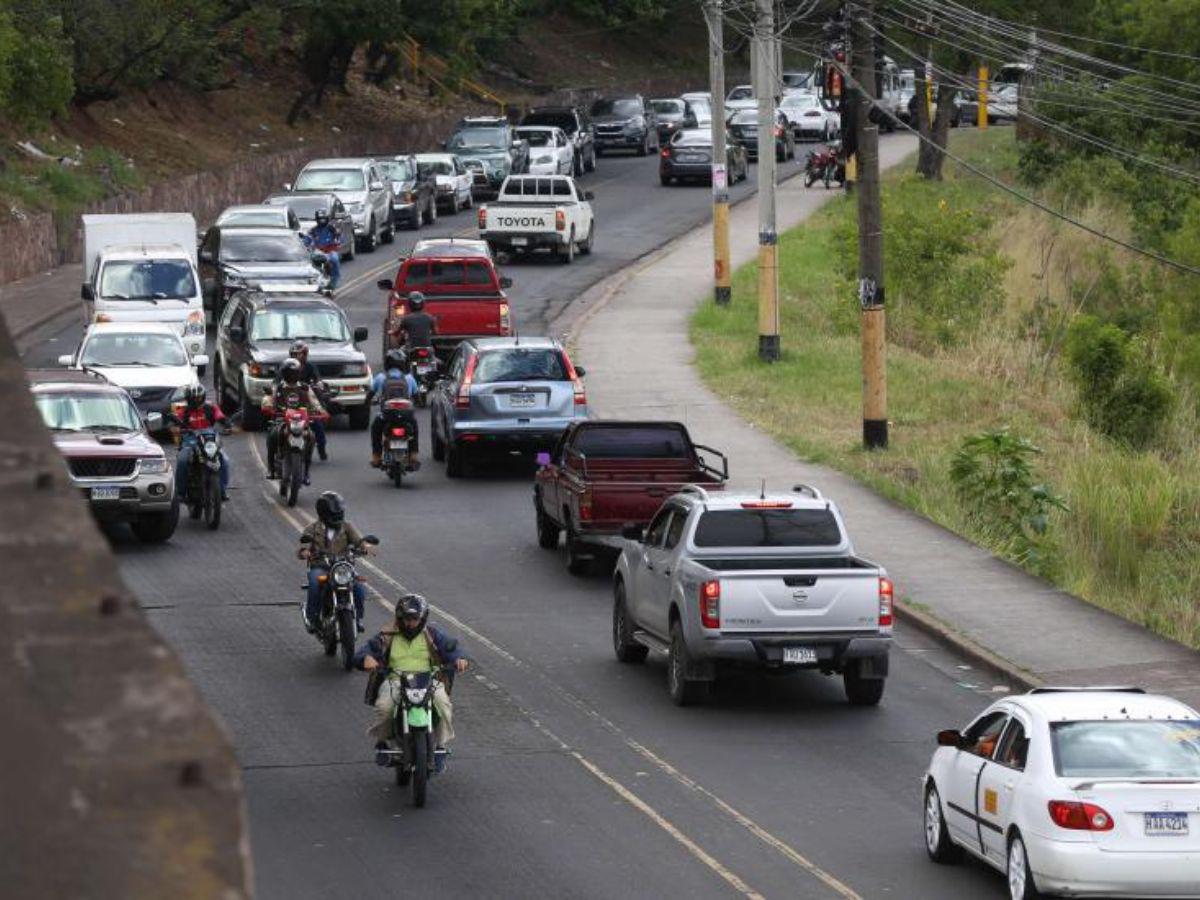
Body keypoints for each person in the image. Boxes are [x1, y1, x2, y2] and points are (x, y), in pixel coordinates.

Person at [355, 593, 468, 773]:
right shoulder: (387, 635)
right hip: (395, 681)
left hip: (428, 681)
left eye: (415, 619)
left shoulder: (432, 634)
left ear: (422, 619)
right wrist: (366, 659)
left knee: (443, 704)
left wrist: (459, 659)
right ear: (399, 618)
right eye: (407, 619)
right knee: (385, 707)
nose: (410, 623)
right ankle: (383, 740)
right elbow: (363, 652)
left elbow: (452, 648)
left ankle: (439, 745)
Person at [298, 491, 370, 633]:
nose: (339, 515)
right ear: (324, 513)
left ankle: (358, 618)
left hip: (342, 567)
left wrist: (365, 548)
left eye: (340, 512)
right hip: (321, 566)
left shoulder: (347, 526)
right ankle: (312, 617)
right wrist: (305, 552)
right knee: (314, 583)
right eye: (335, 512)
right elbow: (303, 547)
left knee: (359, 589)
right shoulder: (312, 529)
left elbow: (358, 541)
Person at [265, 358, 325, 483]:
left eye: (294, 373)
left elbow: (314, 402)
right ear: (284, 374)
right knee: (272, 435)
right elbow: (269, 399)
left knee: (311, 437)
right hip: (282, 419)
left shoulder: (305, 387)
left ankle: (306, 472)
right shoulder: (278, 387)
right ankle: (271, 469)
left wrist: (320, 411)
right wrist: (268, 406)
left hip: (301, 420)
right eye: (288, 373)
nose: (291, 376)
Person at [169, 385, 232, 501]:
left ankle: (222, 490)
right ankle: (181, 492)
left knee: (224, 460)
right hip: (190, 440)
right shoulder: (184, 411)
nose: (196, 401)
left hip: (210, 440)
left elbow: (220, 417)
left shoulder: (211, 408)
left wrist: (227, 425)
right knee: (182, 460)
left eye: (199, 398)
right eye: (194, 398)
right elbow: (174, 423)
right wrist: (176, 428)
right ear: (188, 399)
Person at [368, 348, 420, 469]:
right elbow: (417, 398)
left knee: (375, 428)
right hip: (406, 415)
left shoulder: (380, 377)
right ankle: (413, 455)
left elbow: (370, 394)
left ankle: (376, 457)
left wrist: (367, 403)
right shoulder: (409, 378)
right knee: (414, 427)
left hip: (386, 415)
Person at [276, 340, 327, 461]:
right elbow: (276, 382)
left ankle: (321, 448)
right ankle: (277, 451)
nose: (299, 356)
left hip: (303, 401)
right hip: (287, 401)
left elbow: (317, 379)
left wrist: (318, 385)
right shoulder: (284, 367)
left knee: (318, 426)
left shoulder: (310, 368)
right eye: (296, 354)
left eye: (301, 354)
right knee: (275, 428)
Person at [307, 210, 341, 290]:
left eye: (324, 219)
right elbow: (307, 239)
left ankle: (334, 281)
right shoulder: (313, 230)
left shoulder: (332, 228)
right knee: (308, 261)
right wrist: (303, 240)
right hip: (318, 251)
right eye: (320, 219)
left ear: (327, 219)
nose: (322, 221)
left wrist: (337, 239)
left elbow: (339, 238)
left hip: (330, 250)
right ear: (317, 219)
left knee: (334, 259)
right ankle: (311, 281)